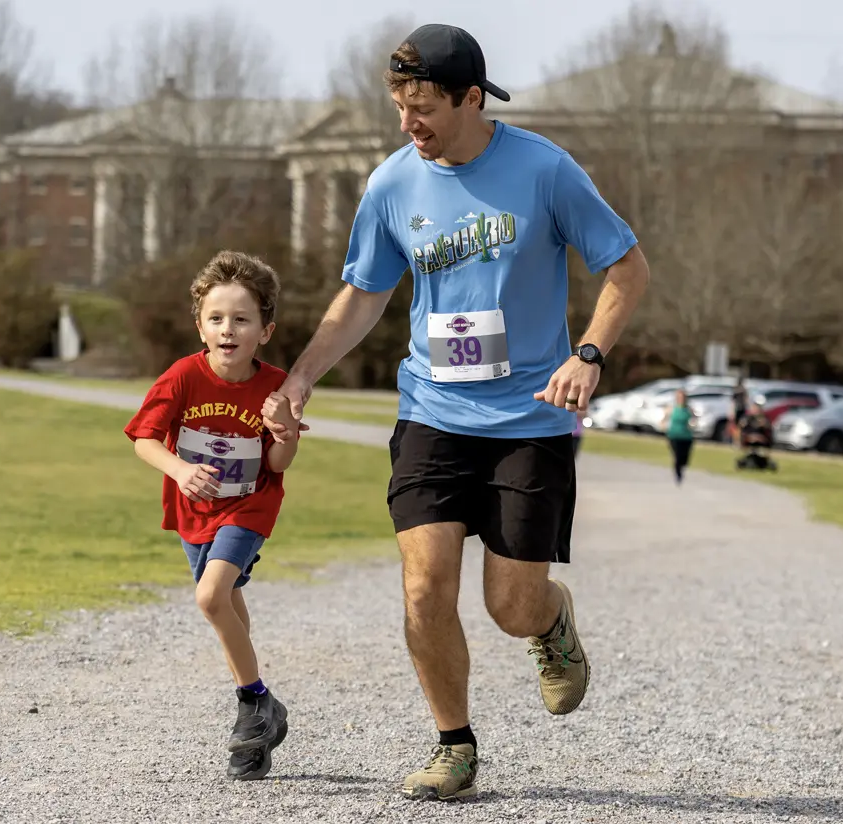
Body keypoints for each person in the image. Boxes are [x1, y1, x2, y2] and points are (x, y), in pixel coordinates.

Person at [263, 23, 649, 801]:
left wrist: (590, 353)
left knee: (509, 605)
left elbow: (627, 269)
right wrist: (301, 378)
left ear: (472, 98)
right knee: (423, 587)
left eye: (424, 108)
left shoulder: (546, 171)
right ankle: (454, 744)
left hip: (531, 419)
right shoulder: (392, 184)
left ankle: (549, 620)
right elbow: (365, 294)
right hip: (433, 412)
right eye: (400, 108)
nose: (409, 125)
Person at [124, 250, 299, 783]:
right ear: (199, 325)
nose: (229, 329)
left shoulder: (275, 385)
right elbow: (144, 439)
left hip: (249, 506)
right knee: (229, 604)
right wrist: (178, 470)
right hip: (194, 508)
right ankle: (262, 722)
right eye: (217, 318)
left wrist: (287, 430)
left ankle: (254, 702)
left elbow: (275, 462)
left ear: (264, 330)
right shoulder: (182, 377)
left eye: (242, 319)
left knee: (210, 597)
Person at [662, 389, 696, 484]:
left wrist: (693, 424)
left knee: (685, 459)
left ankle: (681, 467)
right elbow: (664, 420)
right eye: (679, 397)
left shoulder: (689, 409)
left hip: (686, 436)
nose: (681, 399)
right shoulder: (672, 408)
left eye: (683, 398)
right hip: (674, 435)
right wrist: (664, 426)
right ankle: (678, 474)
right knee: (677, 456)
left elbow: (694, 420)